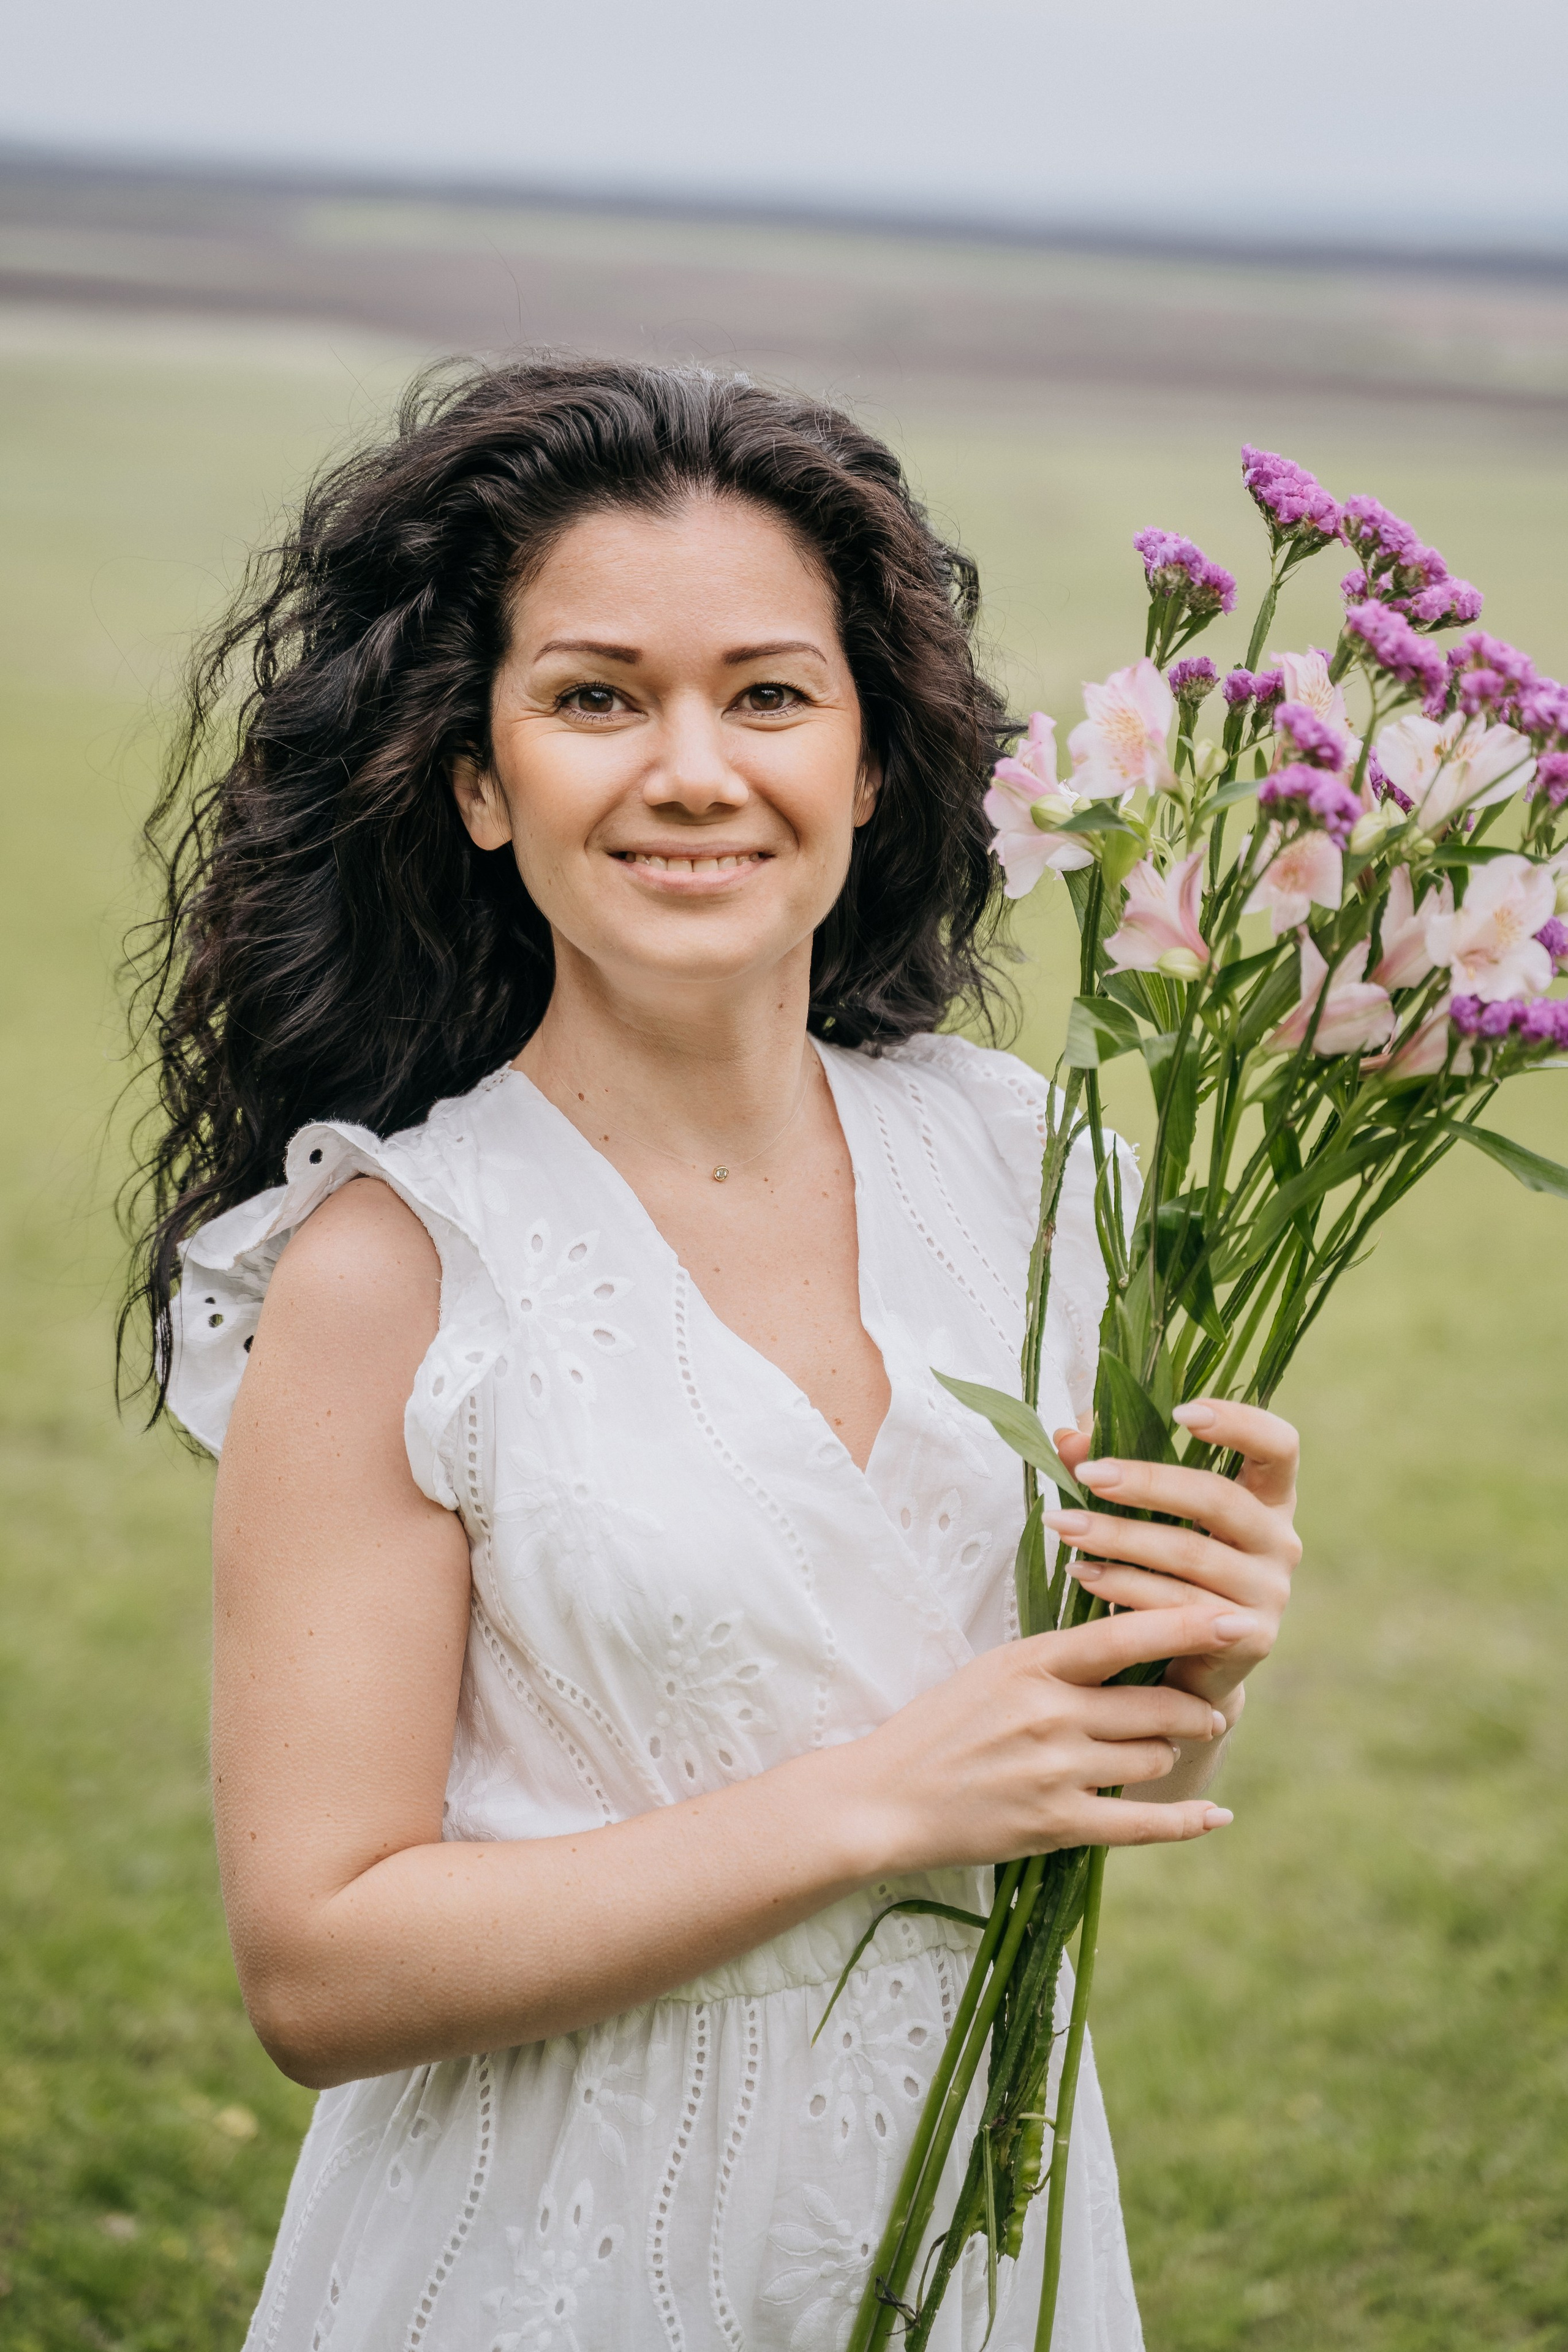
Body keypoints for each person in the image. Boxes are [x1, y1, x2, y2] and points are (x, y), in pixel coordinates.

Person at [126, 360, 1300, 2351]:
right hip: (558, 2244)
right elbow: (318, 1973)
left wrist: (1199, 1656)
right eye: (597, 697)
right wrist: (882, 1800)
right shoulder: (393, 1268)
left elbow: (1079, 1768)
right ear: (480, 779)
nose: (693, 769)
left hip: (981, 2210)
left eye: (769, 694)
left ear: (867, 764)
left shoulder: (1038, 1167)